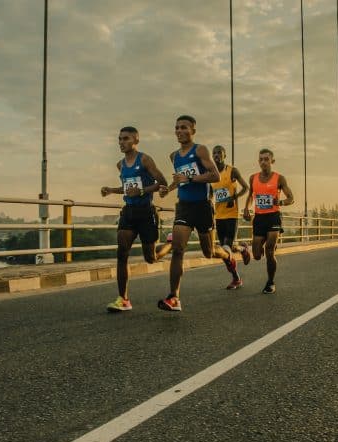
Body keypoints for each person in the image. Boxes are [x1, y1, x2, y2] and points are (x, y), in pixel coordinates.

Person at [157, 115, 237, 311]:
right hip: (184, 206)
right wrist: (168, 188)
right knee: (178, 249)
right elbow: (179, 179)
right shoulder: (174, 156)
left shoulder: (200, 150)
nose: (179, 131)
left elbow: (214, 175)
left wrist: (190, 178)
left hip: (202, 207)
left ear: (193, 130)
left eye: (184, 127)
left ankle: (228, 255)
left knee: (209, 252)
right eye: (176, 127)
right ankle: (174, 297)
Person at [101, 126, 172, 312]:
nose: (121, 142)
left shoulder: (145, 159)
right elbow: (126, 187)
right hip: (129, 212)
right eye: (119, 139)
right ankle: (123, 299)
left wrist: (141, 191)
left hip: (146, 212)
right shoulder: (121, 165)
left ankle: (170, 244)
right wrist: (111, 190)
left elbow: (162, 183)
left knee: (151, 257)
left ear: (135, 140)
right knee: (121, 253)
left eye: (125, 139)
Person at [243, 148, 294, 294]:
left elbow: (291, 198)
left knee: (269, 251)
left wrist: (281, 202)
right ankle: (252, 247)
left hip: (273, 217)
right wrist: (246, 208)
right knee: (257, 255)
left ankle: (270, 282)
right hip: (259, 218)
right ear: (258, 161)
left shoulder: (279, 178)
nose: (263, 162)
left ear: (272, 161)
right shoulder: (253, 178)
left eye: (266, 159)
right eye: (261, 159)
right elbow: (250, 195)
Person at [210, 145, 250, 289]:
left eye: (219, 153)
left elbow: (246, 187)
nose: (216, 155)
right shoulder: (212, 174)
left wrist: (235, 197)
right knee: (226, 249)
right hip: (218, 216)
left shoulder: (232, 171)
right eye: (214, 153)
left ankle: (236, 278)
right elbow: (210, 194)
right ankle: (243, 249)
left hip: (232, 215)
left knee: (226, 247)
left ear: (224, 155)